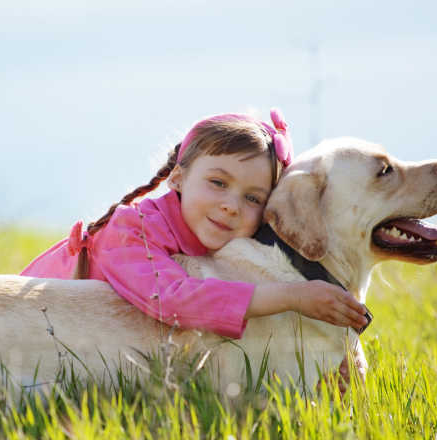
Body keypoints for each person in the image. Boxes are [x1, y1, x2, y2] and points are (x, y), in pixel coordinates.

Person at [21, 109, 368, 339]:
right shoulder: (131, 229)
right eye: (218, 183)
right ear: (178, 178)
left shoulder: (228, 242)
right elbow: (173, 299)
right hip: (25, 331)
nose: (231, 206)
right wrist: (293, 297)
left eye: (253, 198)